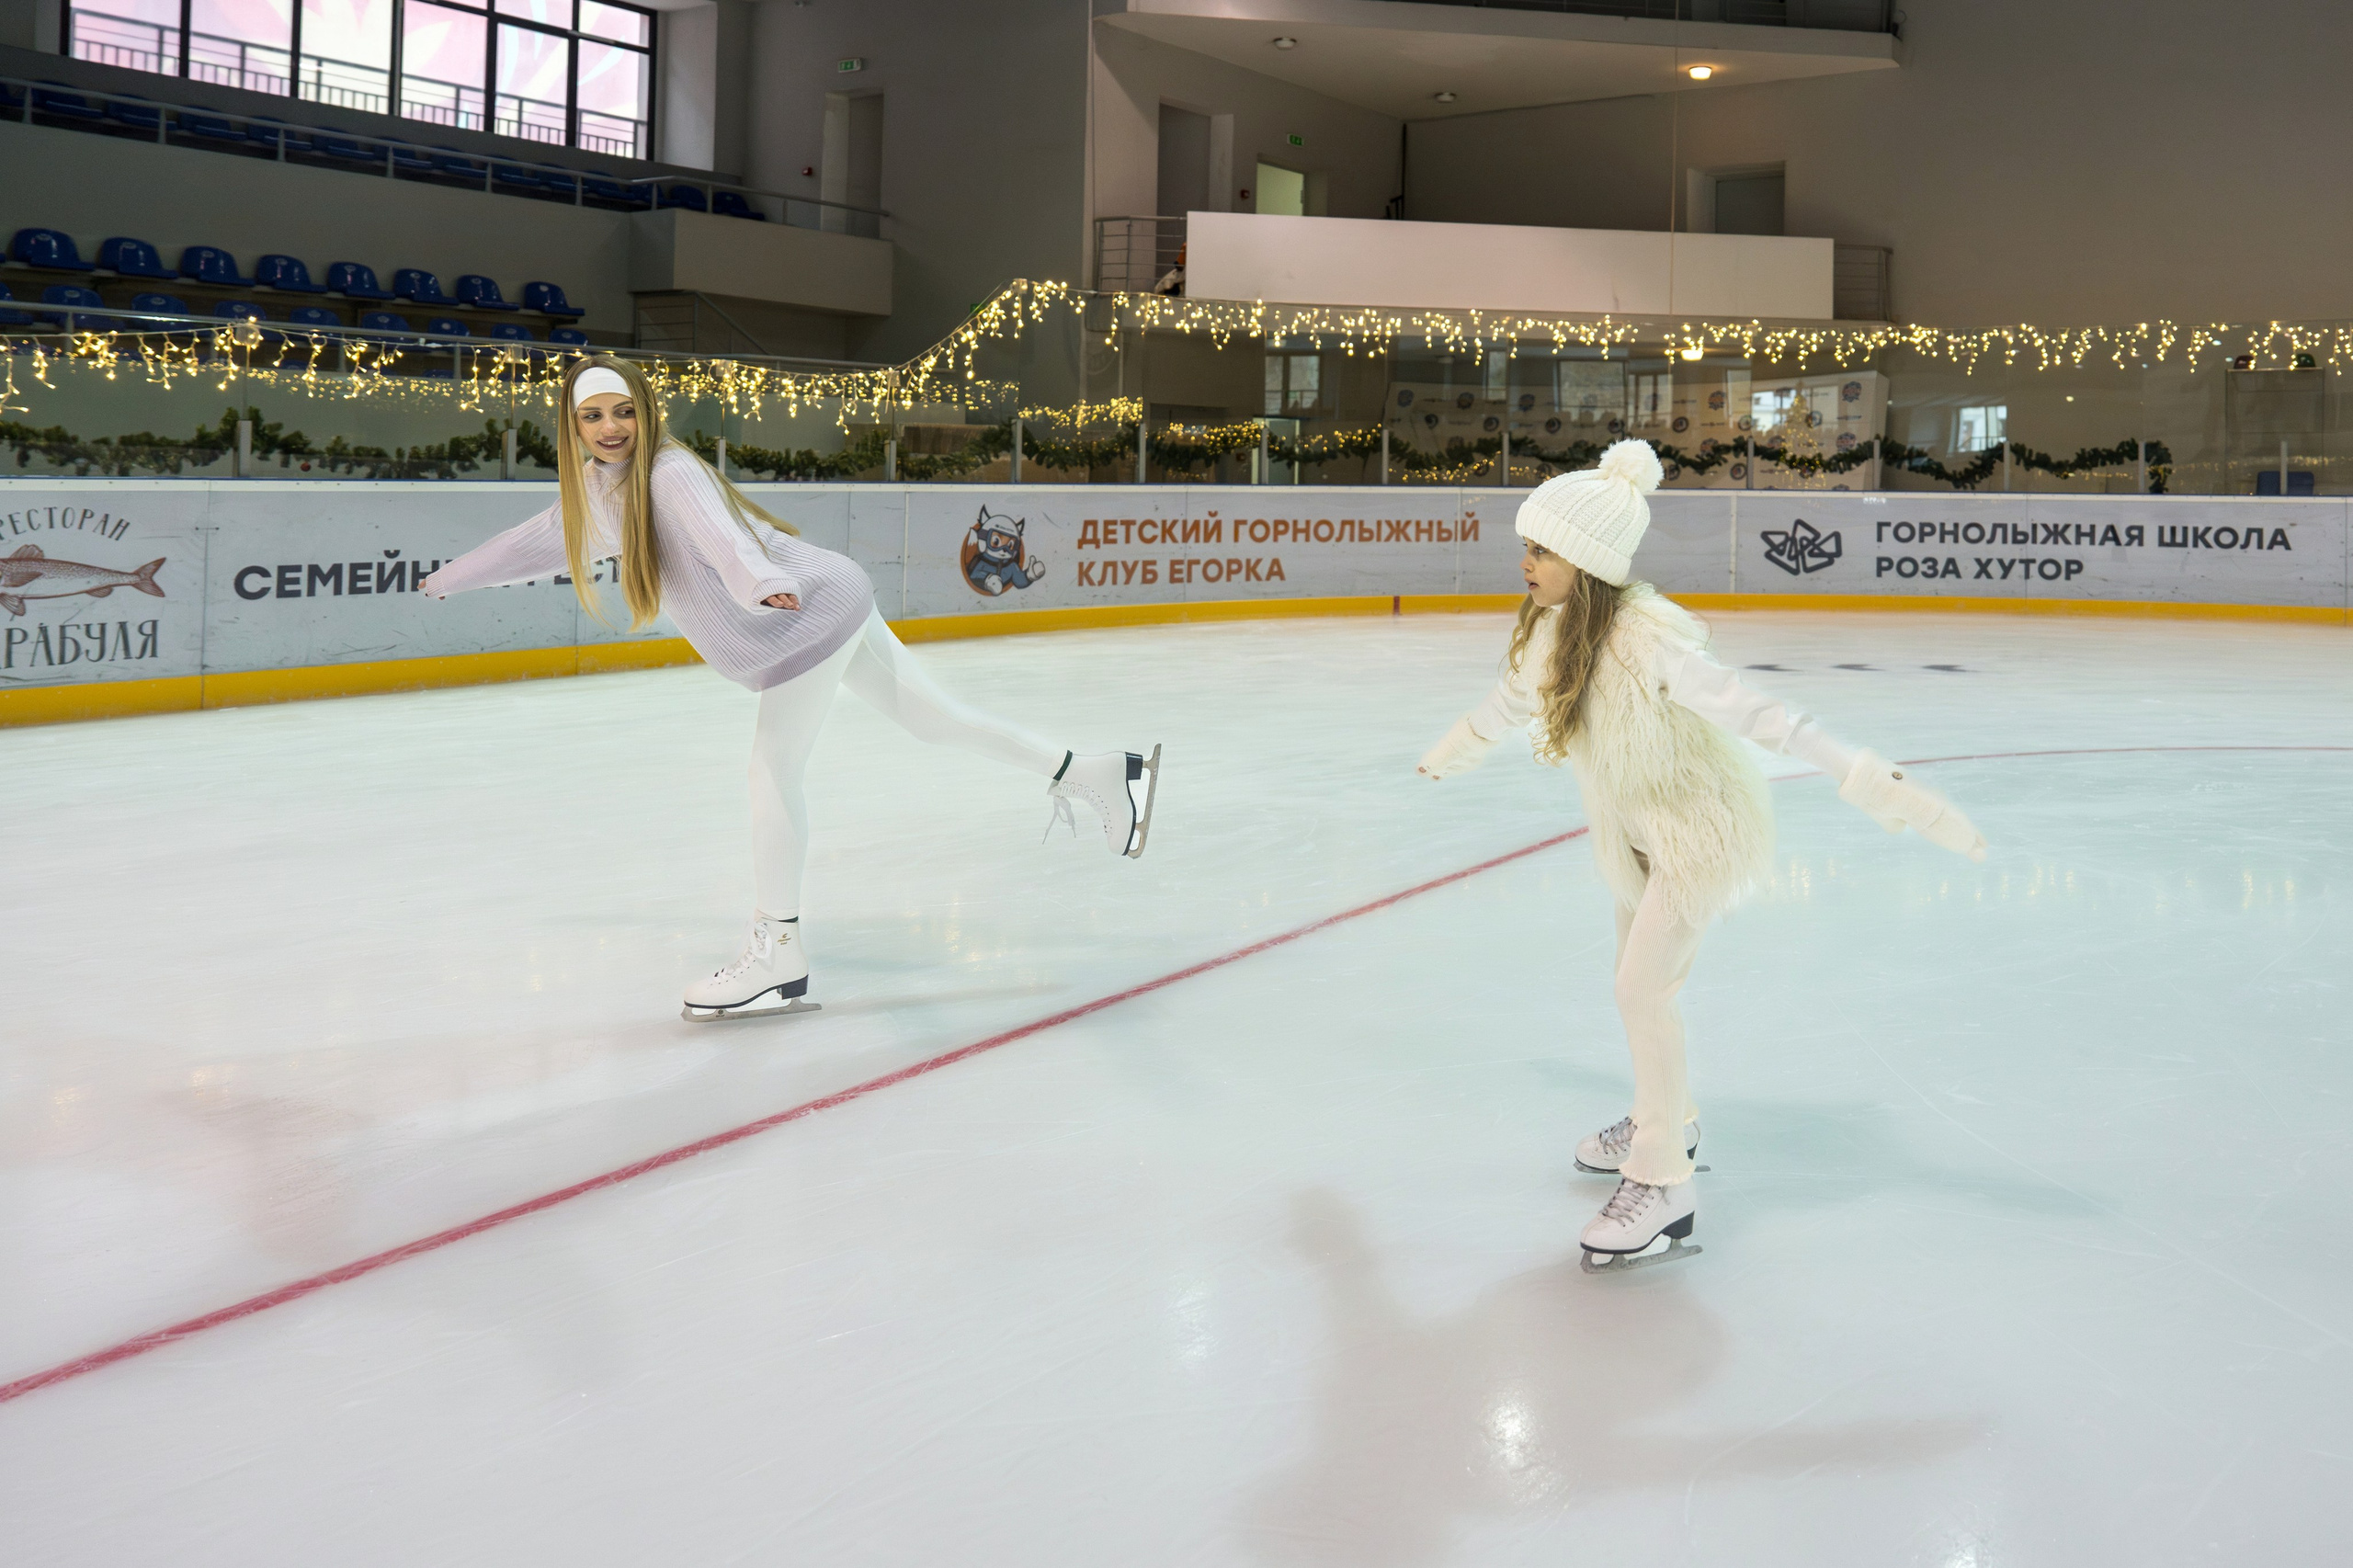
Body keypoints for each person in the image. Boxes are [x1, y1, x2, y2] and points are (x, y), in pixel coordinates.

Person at [421, 357, 1161, 1020]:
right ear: (572, 426)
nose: (611, 428)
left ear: (648, 414)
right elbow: (533, 543)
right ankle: (1093, 772)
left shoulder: (668, 474)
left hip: (800, 614)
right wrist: (450, 578)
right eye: (592, 415)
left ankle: (778, 952)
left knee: (771, 772)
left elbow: (724, 540)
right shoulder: (598, 493)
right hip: (825, 600)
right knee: (937, 721)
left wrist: (761, 582)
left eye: (624, 411)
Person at [1415, 438, 1984, 1270]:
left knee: (1641, 991)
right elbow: (1508, 703)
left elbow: (1760, 715)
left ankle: (1664, 1183)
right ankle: (1668, 1120)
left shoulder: (1649, 642)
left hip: (1693, 832)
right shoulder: (1555, 634)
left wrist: (1866, 776)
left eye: (1541, 549)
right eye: (1528, 547)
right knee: (1635, 989)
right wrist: (1449, 751)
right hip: (1633, 832)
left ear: (1586, 558)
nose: (1526, 563)